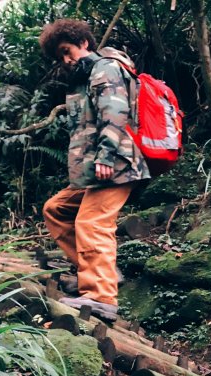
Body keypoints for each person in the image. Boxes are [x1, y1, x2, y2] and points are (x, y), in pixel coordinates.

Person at [38, 19, 149, 322]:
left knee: (92, 223)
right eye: (59, 56)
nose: (65, 59)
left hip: (115, 164)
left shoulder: (105, 69)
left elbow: (115, 113)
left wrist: (105, 155)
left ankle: (100, 296)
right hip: (94, 171)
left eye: (67, 50)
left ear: (83, 43)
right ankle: (102, 272)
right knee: (56, 210)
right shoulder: (84, 79)